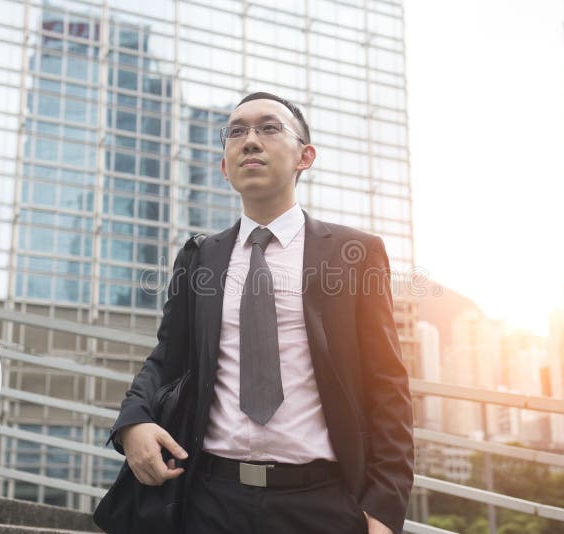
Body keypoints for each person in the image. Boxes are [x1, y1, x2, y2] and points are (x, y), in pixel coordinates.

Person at [110, 92, 414, 534]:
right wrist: (132, 422)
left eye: (269, 128)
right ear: (223, 165)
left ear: (304, 157)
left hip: (320, 504)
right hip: (208, 499)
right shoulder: (201, 257)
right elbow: (166, 358)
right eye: (236, 132)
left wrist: (383, 511)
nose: (249, 140)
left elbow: (387, 386)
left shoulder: (355, 254)